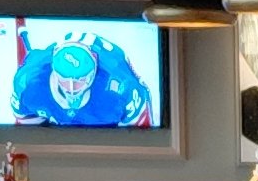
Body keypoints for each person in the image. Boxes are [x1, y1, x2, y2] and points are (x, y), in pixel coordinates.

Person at [9, 21, 154, 129]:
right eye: (65, 79)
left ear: (93, 74)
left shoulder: (121, 85)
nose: (72, 88)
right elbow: (27, 134)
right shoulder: (27, 81)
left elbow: (142, 135)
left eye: (80, 80)